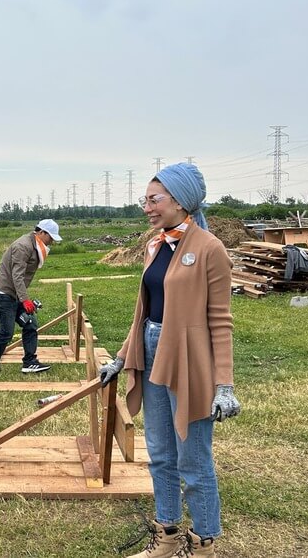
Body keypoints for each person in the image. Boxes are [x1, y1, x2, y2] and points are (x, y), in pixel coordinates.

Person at [98, 163, 241, 558]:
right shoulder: (155, 244)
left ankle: (204, 543)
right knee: (160, 454)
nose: (147, 206)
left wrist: (224, 384)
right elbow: (143, 310)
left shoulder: (210, 248)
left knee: (192, 460)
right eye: (145, 199)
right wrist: (122, 356)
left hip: (190, 360)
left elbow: (220, 322)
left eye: (154, 199)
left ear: (180, 200)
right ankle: (167, 536)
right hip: (151, 348)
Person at [0, 219, 62, 374]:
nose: (52, 242)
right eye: (50, 237)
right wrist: (25, 300)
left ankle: (30, 362)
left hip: (14, 294)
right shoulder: (23, 246)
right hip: (4, 294)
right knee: (6, 331)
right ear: (42, 232)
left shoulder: (33, 244)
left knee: (30, 323)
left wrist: (23, 298)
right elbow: (17, 277)